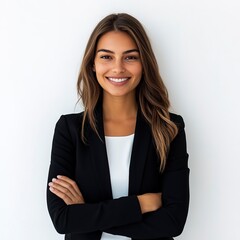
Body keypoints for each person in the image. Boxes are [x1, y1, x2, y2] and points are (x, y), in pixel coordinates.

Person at [47, 13, 189, 240]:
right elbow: (63, 219)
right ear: (92, 64)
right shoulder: (69, 130)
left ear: (144, 64)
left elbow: (173, 222)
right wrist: (141, 203)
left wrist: (86, 213)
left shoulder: (169, 128)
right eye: (106, 57)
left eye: (130, 57)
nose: (118, 68)